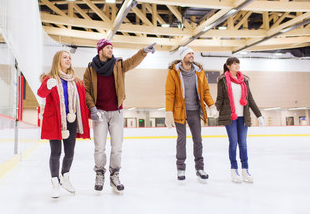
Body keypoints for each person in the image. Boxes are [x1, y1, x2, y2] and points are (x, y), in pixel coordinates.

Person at [83, 39, 156, 193]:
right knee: (99, 147)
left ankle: (115, 175)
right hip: (100, 113)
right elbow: (86, 91)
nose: (111, 50)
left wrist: (143, 52)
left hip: (116, 112)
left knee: (116, 147)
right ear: (100, 50)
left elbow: (132, 62)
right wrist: (92, 108)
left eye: (111, 47)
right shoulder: (90, 69)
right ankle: (99, 174)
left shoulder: (118, 64)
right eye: (108, 47)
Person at [37, 50, 90, 198]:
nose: (68, 60)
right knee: (56, 153)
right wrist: (47, 86)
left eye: (70, 58)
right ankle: (55, 183)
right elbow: (41, 93)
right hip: (55, 120)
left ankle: (64, 177)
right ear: (57, 60)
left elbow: (83, 101)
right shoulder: (50, 78)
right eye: (65, 57)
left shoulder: (76, 81)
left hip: (71, 120)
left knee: (70, 152)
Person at [165, 46, 217, 182]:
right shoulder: (173, 72)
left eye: (193, 53)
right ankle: (180, 169)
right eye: (189, 53)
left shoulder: (199, 72)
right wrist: (168, 112)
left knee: (198, 140)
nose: (192, 55)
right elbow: (170, 94)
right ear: (183, 56)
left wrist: (211, 105)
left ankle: (200, 168)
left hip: (195, 111)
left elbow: (205, 91)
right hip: (179, 110)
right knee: (181, 140)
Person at [215, 57, 264, 183]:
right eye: (234, 63)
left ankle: (245, 170)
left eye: (238, 63)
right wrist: (215, 109)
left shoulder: (244, 80)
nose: (237, 65)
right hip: (230, 116)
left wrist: (259, 115)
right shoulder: (223, 80)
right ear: (229, 66)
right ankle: (234, 170)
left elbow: (250, 99)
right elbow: (220, 98)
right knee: (233, 142)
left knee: (243, 143)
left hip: (243, 116)